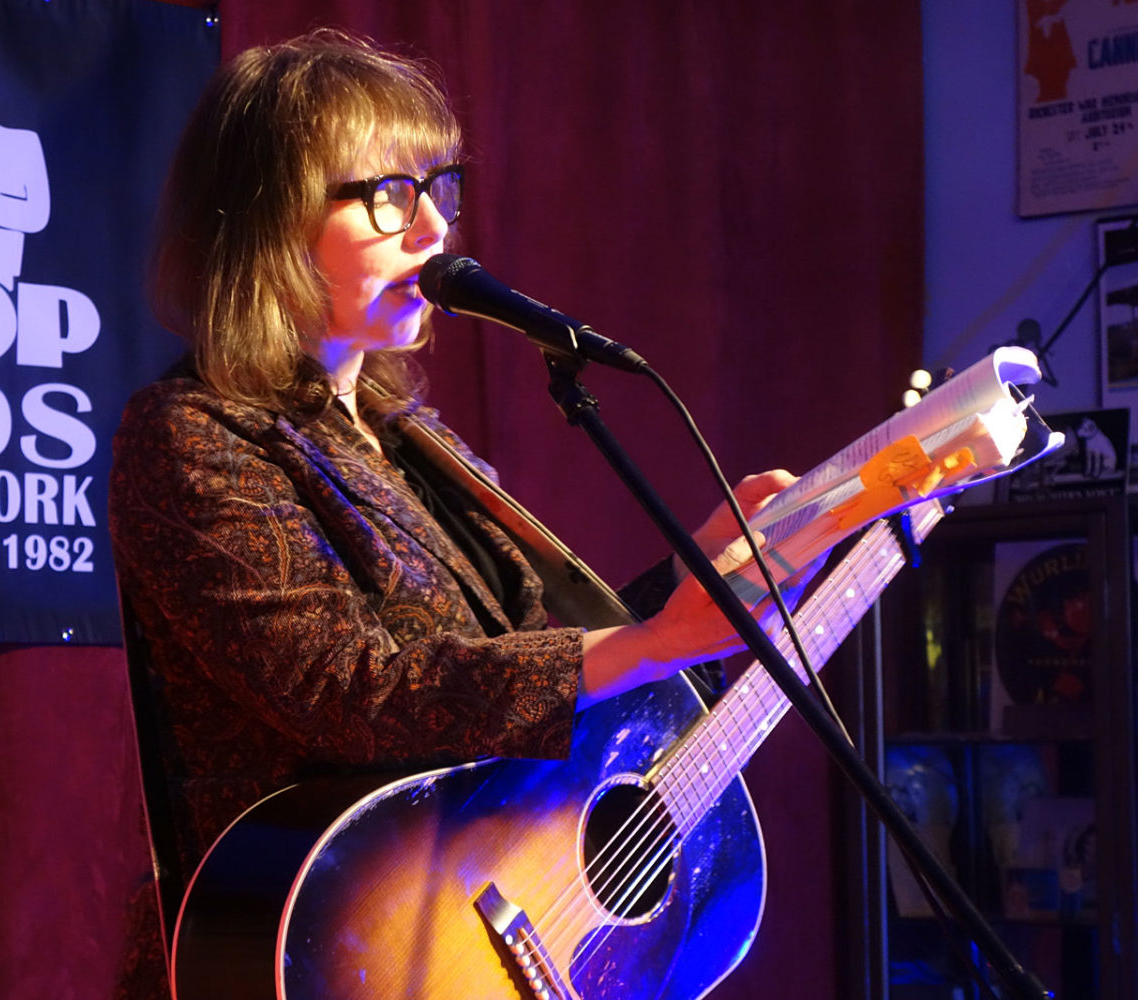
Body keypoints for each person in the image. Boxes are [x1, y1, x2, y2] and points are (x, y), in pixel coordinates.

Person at [107, 29, 807, 995]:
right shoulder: (191, 435)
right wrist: (656, 642)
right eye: (391, 194)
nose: (435, 230)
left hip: (450, 935)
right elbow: (348, 689)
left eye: (440, 189)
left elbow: (524, 651)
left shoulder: (407, 440)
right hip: (314, 951)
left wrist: (693, 590)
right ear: (270, 221)